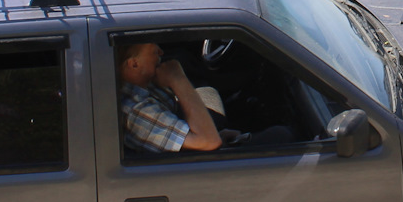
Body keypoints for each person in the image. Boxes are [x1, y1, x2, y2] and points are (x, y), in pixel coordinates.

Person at [116, 40, 292, 154]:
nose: (161, 52)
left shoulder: (143, 87)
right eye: (154, 51)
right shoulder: (137, 110)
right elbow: (208, 141)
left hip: (192, 150)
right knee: (281, 136)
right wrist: (178, 79)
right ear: (134, 63)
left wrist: (218, 133)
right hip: (190, 170)